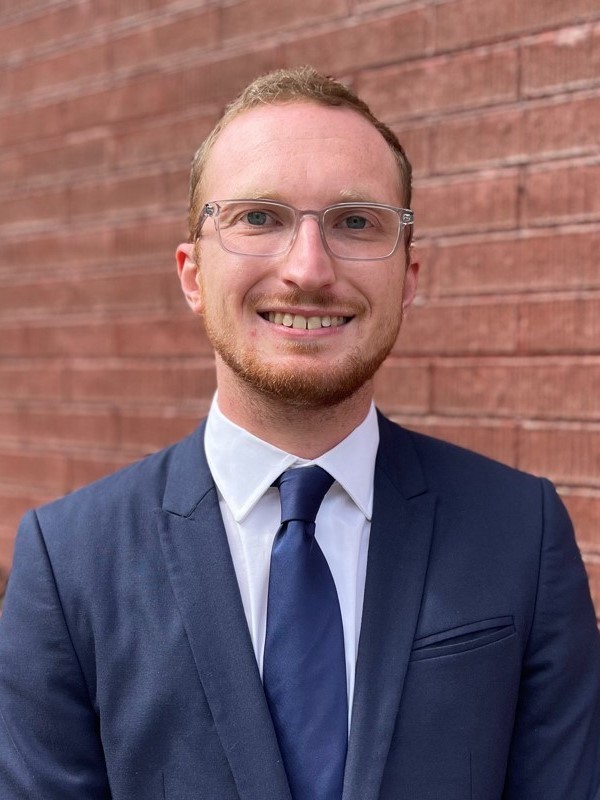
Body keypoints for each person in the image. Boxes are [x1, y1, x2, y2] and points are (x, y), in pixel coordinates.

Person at [0, 66, 598, 800]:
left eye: (355, 222)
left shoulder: (521, 534)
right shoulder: (68, 566)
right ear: (192, 274)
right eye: (259, 218)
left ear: (408, 275)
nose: (308, 269)